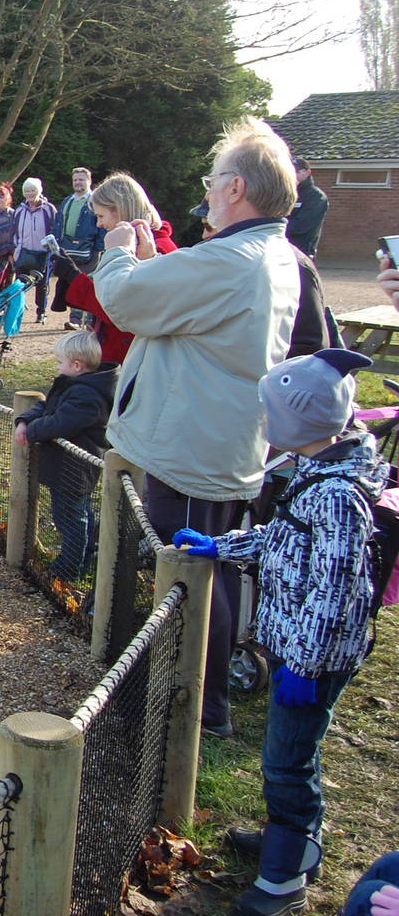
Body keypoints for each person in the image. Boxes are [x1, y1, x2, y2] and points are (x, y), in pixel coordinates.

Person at [91, 118, 303, 740]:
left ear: (236, 188)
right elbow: (189, 305)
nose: (206, 191)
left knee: (190, 578)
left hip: (192, 445)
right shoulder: (268, 252)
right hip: (220, 438)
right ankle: (197, 696)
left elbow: (127, 302)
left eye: (214, 181)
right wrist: (158, 267)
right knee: (216, 569)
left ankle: (190, 709)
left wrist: (119, 253)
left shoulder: (231, 258)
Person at [174, 348, 381, 916]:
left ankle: (284, 879)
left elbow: (335, 589)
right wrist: (223, 546)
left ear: (298, 419)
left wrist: (306, 668)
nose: (264, 420)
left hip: (315, 658)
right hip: (299, 649)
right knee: (291, 753)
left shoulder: (337, 495)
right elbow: (283, 536)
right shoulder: (317, 472)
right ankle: (293, 838)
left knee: (287, 761)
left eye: (271, 412)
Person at [14, 331, 117, 582]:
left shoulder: (87, 396)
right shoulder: (72, 385)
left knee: (70, 520)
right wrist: (25, 419)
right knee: (77, 515)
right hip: (64, 466)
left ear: (77, 365)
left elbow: (61, 421)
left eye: (60, 362)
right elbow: (47, 405)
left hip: (74, 469)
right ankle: (83, 557)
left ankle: (69, 568)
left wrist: (32, 431)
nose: (58, 367)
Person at [47, 173, 176, 365]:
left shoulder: (157, 250)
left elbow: (118, 308)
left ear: (121, 211)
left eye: (101, 216)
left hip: (133, 360)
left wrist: (73, 277)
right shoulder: (131, 244)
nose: (99, 224)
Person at [53, 167, 102, 329]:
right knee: (72, 283)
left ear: (89, 181)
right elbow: (58, 223)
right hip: (68, 249)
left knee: (88, 284)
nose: (77, 182)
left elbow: (101, 226)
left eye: (81, 179)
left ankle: (89, 321)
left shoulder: (95, 201)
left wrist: (98, 248)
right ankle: (74, 320)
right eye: (75, 180)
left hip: (90, 251)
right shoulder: (67, 201)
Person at [14, 178, 56, 324]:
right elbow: (14, 231)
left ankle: (41, 312)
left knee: (42, 285)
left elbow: (55, 229)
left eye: (33, 190)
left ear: (39, 191)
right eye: (27, 191)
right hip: (24, 251)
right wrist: (16, 249)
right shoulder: (19, 211)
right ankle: (17, 311)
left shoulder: (48, 209)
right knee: (19, 284)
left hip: (43, 253)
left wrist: (52, 249)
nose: (30, 193)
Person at [287, 157, 328, 258]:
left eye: (296, 171)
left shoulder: (316, 197)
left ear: (307, 173)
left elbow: (301, 226)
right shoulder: (285, 194)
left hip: (302, 253)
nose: (292, 175)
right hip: (282, 249)